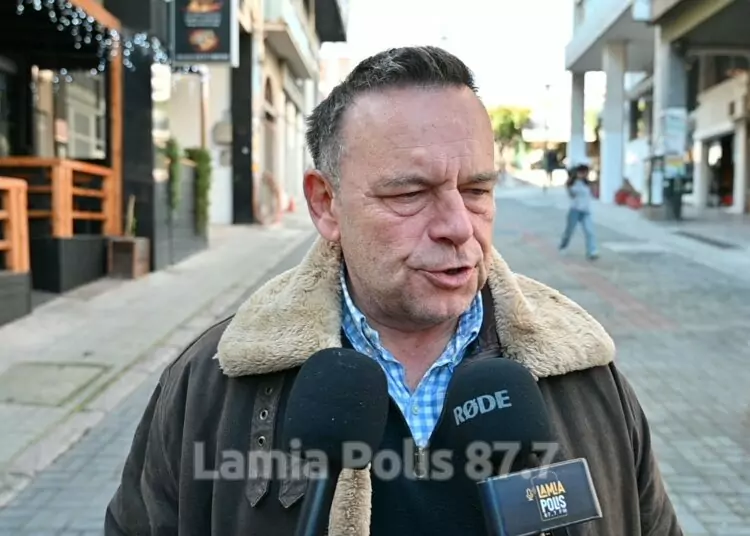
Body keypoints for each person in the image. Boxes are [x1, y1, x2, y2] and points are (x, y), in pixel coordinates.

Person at [104, 46, 682, 535]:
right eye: (409, 194)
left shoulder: (584, 372)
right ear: (325, 204)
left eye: (477, 190)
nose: (458, 226)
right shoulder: (213, 379)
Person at [559, 162, 599, 260]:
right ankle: (563, 245)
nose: (584, 174)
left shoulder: (587, 184)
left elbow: (593, 195)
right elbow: (571, 195)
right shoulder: (573, 183)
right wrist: (569, 185)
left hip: (586, 211)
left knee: (589, 231)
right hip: (575, 210)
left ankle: (592, 251)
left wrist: (594, 186)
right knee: (569, 231)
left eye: (586, 173)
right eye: (582, 172)